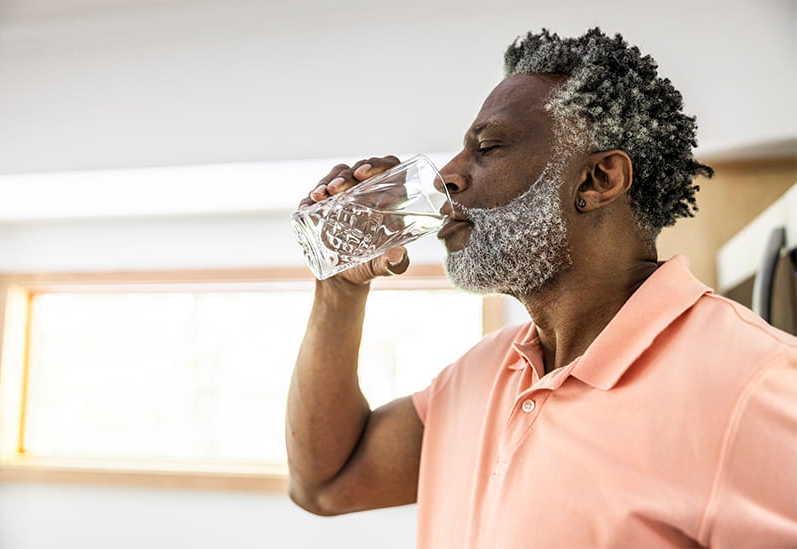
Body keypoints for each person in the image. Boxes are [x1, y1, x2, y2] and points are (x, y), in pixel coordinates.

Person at [285, 28, 797, 547]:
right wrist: (339, 290)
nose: (447, 176)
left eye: (487, 148)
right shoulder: (482, 373)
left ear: (598, 180)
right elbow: (326, 483)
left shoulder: (755, 385)